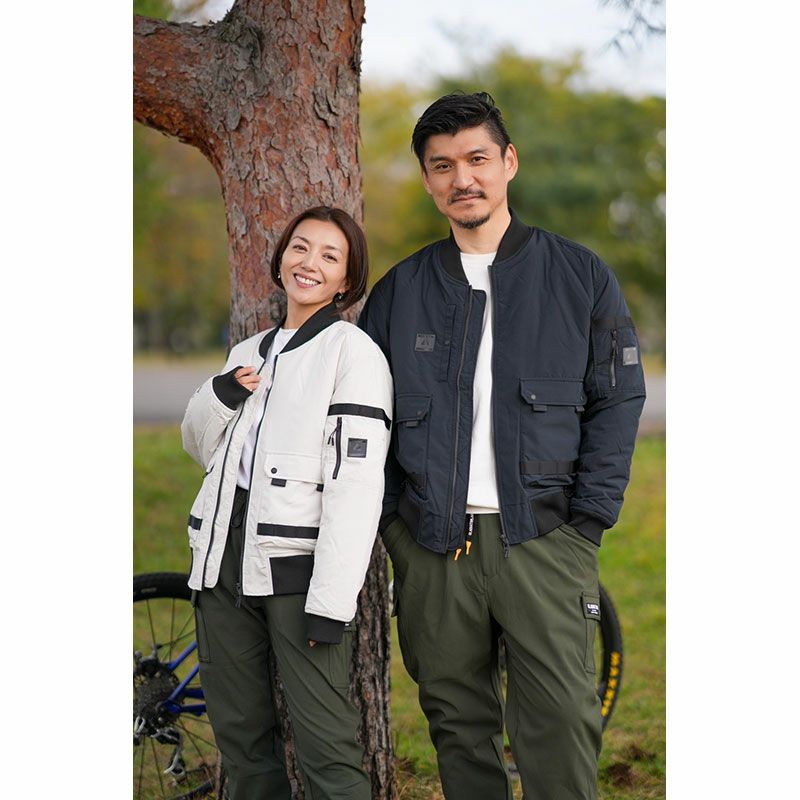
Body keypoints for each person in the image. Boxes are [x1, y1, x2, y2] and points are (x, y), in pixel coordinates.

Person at [358, 92, 646, 799]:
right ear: (428, 179)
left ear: (509, 162)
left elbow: (618, 400)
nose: (464, 179)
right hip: (433, 550)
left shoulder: (580, 276)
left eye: (477, 159)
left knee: (560, 723)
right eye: (443, 165)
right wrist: (397, 529)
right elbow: (366, 421)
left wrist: (587, 523)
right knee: (458, 727)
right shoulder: (400, 293)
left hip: (545, 543)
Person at [181, 206, 393, 800]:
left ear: (346, 280)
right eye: (300, 247)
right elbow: (198, 446)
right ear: (280, 261)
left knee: (327, 747)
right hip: (220, 561)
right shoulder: (248, 351)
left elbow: (357, 486)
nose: (309, 263)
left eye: (330, 255)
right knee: (243, 743)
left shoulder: (353, 354)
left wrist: (331, 602)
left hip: (298, 572)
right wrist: (222, 393)